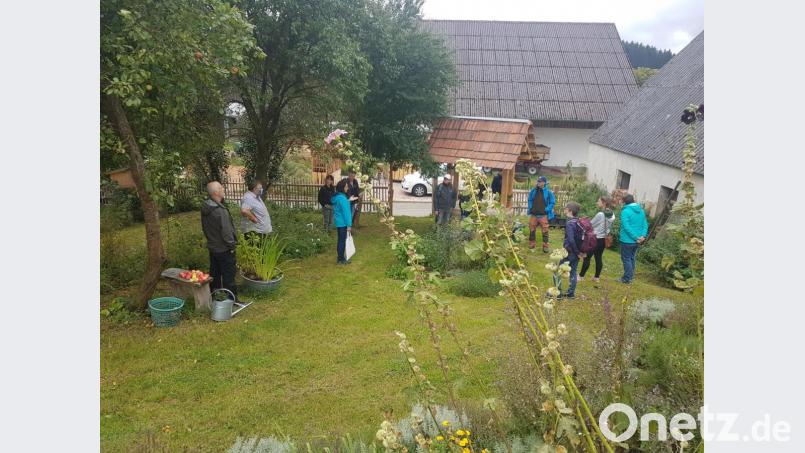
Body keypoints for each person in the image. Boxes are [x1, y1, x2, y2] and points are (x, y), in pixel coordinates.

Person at [201, 181, 238, 298]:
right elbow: (226, 232)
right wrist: (232, 246)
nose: (223, 190)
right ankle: (232, 299)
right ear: (216, 192)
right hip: (224, 249)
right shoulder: (220, 211)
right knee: (229, 275)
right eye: (221, 188)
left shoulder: (206, 207)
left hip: (213, 247)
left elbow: (205, 228)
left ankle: (215, 296)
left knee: (215, 274)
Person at [579, 196, 615, 283]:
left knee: (587, 258)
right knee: (598, 258)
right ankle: (596, 277)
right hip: (603, 240)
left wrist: (583, 221)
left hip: (594, 239)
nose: (597, 202)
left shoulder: (600, 214)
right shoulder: (612, 214)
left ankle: (581, 276)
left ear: (604, 203)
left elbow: (590, 225)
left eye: (598, 201)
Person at [618, 194, 649, 284]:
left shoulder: (625, 211)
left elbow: (626, 227)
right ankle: (630, 277)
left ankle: (627, 278)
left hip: (627, 240)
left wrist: (636, 237)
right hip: (637, 241)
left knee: (626, 259)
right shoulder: (641, 211)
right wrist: (642, 236)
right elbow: (645, 224)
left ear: (624, 202)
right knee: (631, 258)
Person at [558, 202, 583, 299]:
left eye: (566, 208)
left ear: (570, 211)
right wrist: (579, 253)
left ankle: (558, 293)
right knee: (573, 271)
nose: (564, 210)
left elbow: (571, 239)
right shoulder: (580, 222)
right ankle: (571, 293)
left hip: (569, 251)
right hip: (577, 251)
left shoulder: (569, 223)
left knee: (558, 271)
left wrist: (576, 252)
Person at [527, 176, 556, 252]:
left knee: (545, 230)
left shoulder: (549, 192)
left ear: (544, 183)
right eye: (538, 181)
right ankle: (532, 244)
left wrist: (547, 209)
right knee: (532, 230)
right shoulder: (533, 191)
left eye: (540, 181)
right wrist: (530, 206)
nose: (538, 183)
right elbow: (529, 199)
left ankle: (545, 246)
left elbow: (553, 202)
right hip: (534, 214)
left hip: (543, 215)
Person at [240, 179, 272, 244]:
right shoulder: (248, 198)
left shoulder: (256, 197)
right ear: (254, 189)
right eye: (260, 188)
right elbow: (244, 210)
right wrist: (254, 219)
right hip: (255, 233)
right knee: (256, 252)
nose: (262, 189)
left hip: (260, 231)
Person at [332, 179, 353, 264]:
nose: (347, 188)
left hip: (338, 222)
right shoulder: (342, 198)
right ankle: (341, 259)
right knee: (342, 241)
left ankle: (340, 257)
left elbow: (340, 209)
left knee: (340, 240)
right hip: (343, 222)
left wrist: (348, 201)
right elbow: (346, 213)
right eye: (346, 187)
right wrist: (349, 225)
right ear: (342, 187)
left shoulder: (337, 197)